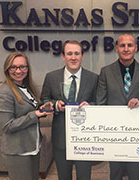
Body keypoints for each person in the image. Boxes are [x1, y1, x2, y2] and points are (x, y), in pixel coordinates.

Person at [96, 33, 139, 180]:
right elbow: (100, 102)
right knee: (115, 172)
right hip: (114, 133)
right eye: (122, 45)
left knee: (135, 173)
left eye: (129, 45)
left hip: (137, 132)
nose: (126, 48)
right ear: (117, 48)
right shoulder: (105, 72)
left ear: (135, 48)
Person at [41, 40, 98, 180]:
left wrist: (91, 106)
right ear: (63, 56)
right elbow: (44, 100)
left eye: (77, 53)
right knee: (63, 176)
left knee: (84, 176)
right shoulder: (51, 77)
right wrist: (55, 105)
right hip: (61, 135)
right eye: (69, 53)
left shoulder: (94, 78)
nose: (73, 57)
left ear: (82, 56)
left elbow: (99, 102)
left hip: (84, 137)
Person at [0, 52, 53, 180]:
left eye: (22, 67)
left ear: (28, 69)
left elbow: (29, 109)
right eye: (13, 67)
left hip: (32, 147)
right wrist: (35, 114)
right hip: (18, 151)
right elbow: (7, 126)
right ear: (7, 69)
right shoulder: (4, 93)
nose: (19, 71)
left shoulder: (25, 88)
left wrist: (41, 109)